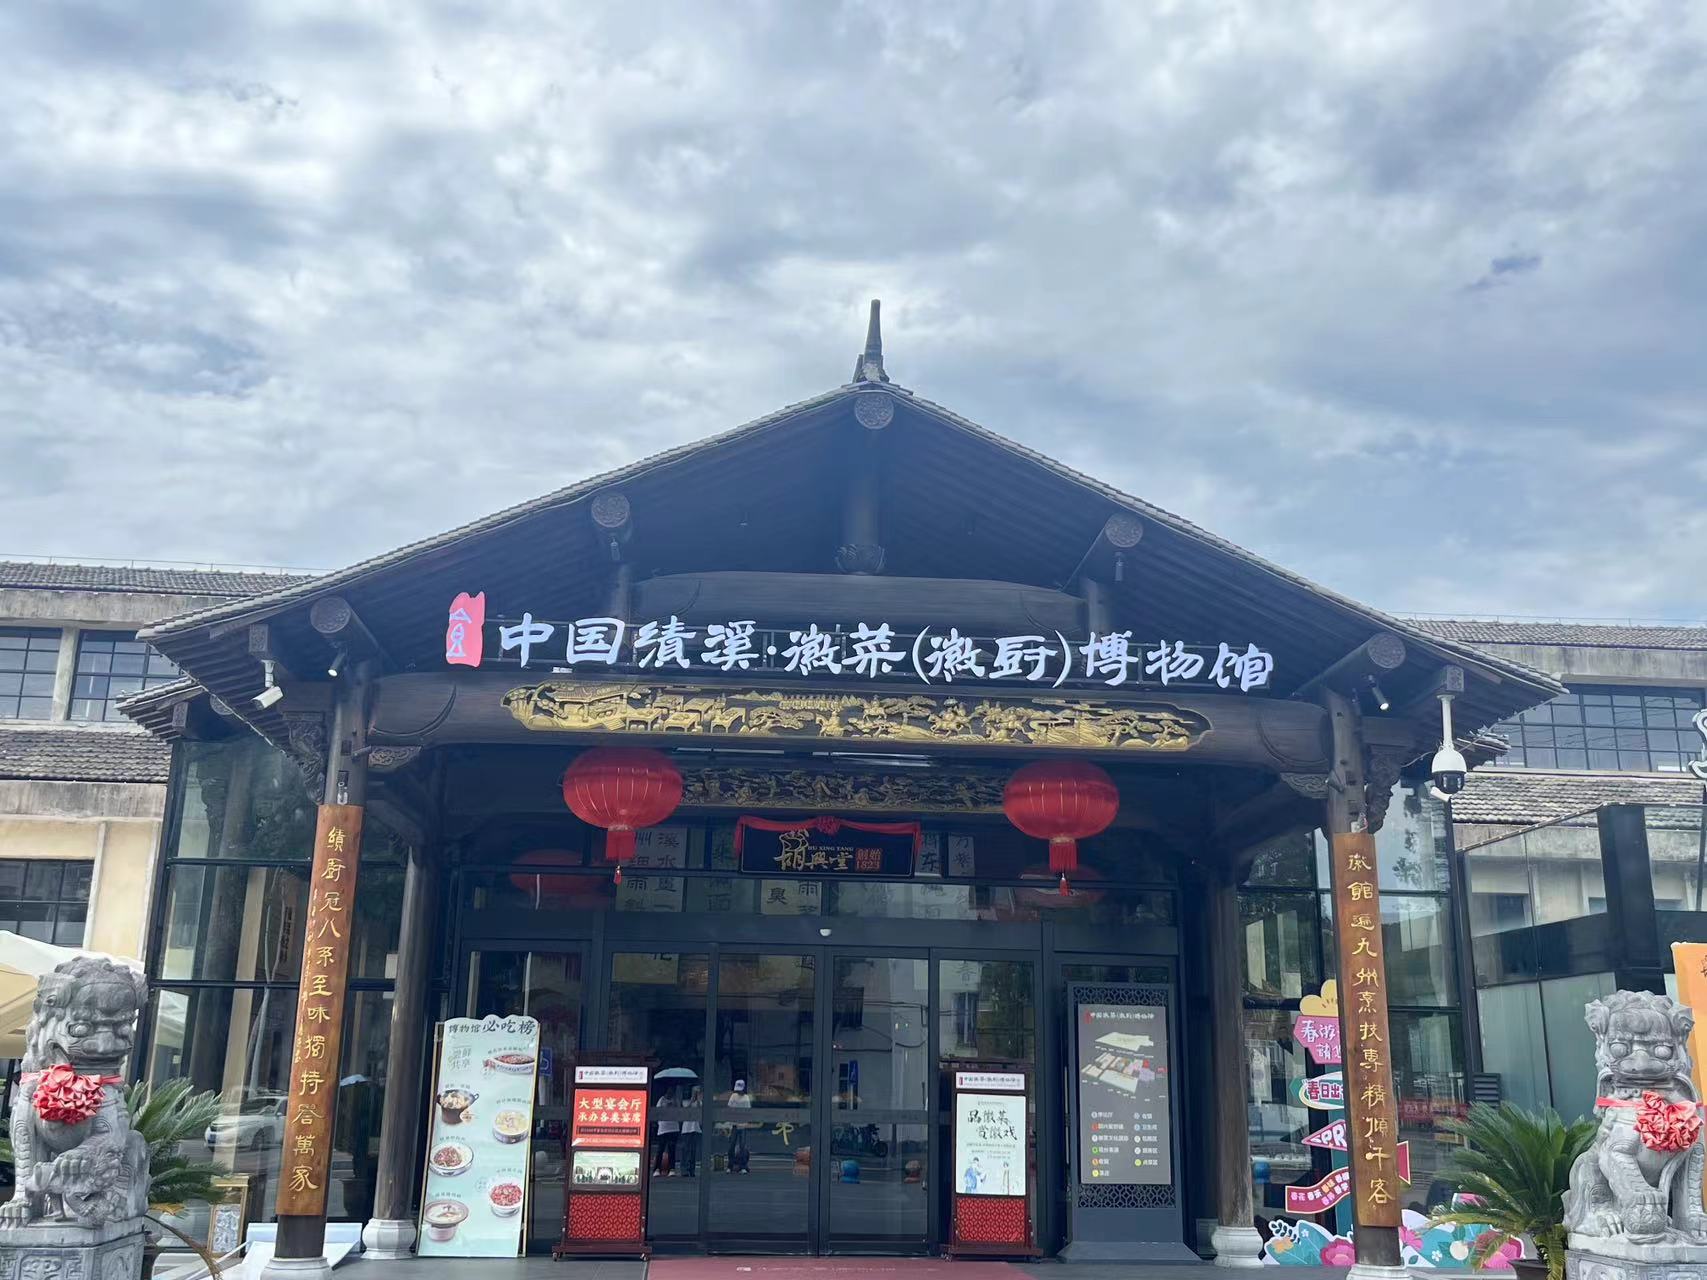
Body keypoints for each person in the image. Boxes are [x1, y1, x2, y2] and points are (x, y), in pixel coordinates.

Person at [652, 1083, 681, 1176]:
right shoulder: (661, 1100)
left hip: (673, 1128)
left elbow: (680, 1112)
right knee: (660, 1149)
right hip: (663, 1128)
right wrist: (666, 1106)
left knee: (672, 1149)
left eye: (672, 1090)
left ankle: (672, 1169)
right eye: (669, 1090)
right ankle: (657, 1169)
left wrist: (674, 1104)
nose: (670, 1092)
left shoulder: (676, 1100)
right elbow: (657, 1112)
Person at [726, 1078, 752, 1174]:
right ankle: (730, 1165)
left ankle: (743, 1166)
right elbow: (729, 1108)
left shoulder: (746, 1098)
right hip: (734, 1124)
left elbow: (748, 1111)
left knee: (742, 1146)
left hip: (743, 1124)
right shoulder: (733, 1096)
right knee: (731, 1146)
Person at [679, 1085, 702, 1177]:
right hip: (687, 1128)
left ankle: (692, 1170)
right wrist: (692, 1098)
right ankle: (684, 1169)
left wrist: (698, 1099)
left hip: (695, 1128)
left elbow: (700, 1110)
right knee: (685, 1149)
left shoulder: (699, 1102)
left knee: (693, 1150)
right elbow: (686, 1110)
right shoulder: (685, 1101)